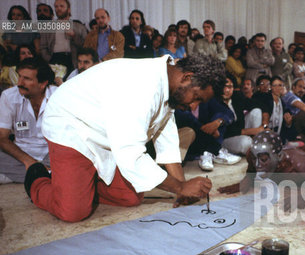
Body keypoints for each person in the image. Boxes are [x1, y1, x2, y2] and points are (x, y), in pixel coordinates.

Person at [24, 54, 225, 222]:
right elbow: (131, 155)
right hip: (71, 126)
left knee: (130, 197)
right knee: (73, 212)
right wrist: (180, 186)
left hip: (106, 134)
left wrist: (182, 189)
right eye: (197, 97)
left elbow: (167, 139)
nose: (193, 106)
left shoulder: (168, 84)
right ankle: (38, 179)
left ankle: (80, 182)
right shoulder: (141, 87)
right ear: (187, 78)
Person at [0, 57, 56, 184]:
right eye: (19, 76)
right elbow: (2, 138)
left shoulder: (57, 97)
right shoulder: (9, 96)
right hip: (19, 156)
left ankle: (27, 175)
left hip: (51, 155)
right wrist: (29, 161)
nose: (20, 82)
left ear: (42, 84)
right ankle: (46, 174)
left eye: (27, 79)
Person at [40, 0, 87, 76]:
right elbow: (43, 47)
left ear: (68, 9)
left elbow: (85, 46)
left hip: (72, 59)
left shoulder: (79, 27)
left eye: (61, 6)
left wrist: (74, 36)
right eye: (56, 6)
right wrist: (49, 59)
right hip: (54, 58)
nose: (58, 8)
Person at [222, 74, 264, 155]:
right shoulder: (216, 102)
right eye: (224, 87)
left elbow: (258, 105)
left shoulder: (235, 98)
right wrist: (253, 131)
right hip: (226, 138)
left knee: (257, 111)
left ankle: (257, 142)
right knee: (245, 142)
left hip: (242, 133)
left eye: (230, 87)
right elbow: (226, 131)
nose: (227, 90)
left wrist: (264, 124)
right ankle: (257, 144)